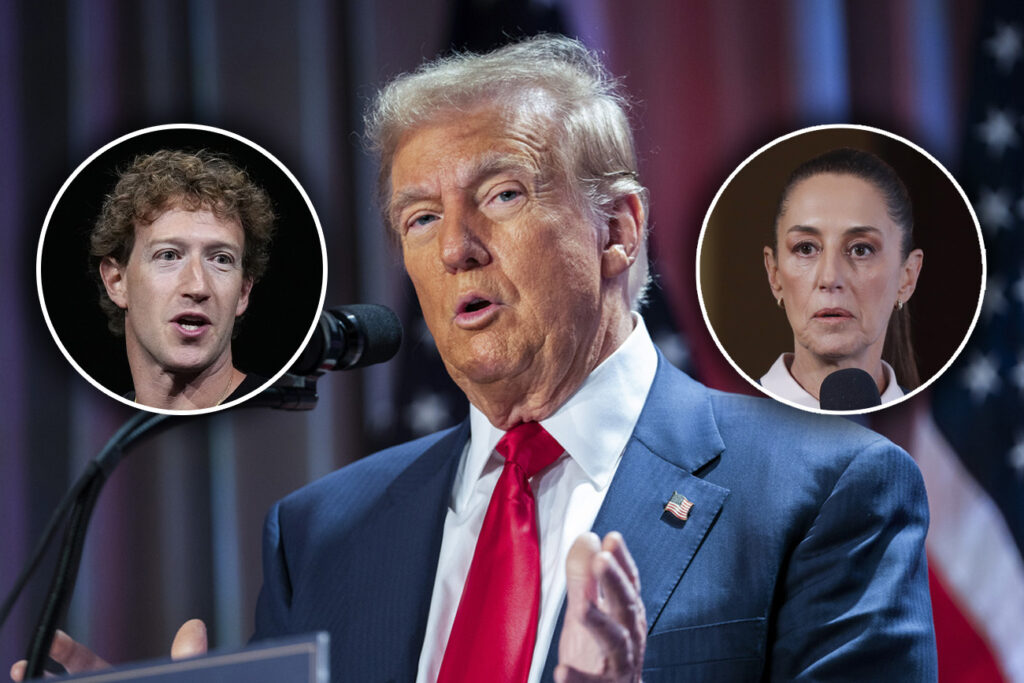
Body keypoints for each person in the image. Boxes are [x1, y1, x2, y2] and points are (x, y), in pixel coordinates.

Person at [12, 36, 937, 682]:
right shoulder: (320, 536)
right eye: (420, 217)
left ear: (618, 229)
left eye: (501, 195)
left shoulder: (827, 488)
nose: (455, 246)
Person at [90, 149, 275, 410]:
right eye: (168, 255)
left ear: (244, 291)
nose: (198, 287)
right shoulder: (106, 425)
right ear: (116, 280)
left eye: (221, 259)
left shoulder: (279, 417)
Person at [761, 148, 924, 409]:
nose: (829, 278)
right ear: (775, 274)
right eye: (806, 248)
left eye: (861, 250)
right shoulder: (719, 421)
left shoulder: (932, 431)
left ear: (907, 278)